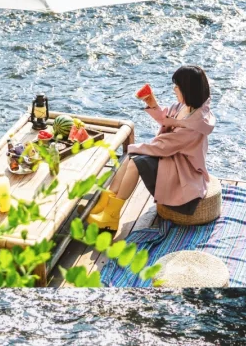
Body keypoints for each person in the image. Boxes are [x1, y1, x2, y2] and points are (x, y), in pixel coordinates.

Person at [87, 65, 215, 233]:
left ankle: (112, 215)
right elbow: (168, 121)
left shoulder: (196, 123)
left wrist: (137, 148)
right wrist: (153, 104)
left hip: (183, 169)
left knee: (135, 162)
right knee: (129, 157)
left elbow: (165, 145)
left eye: (178, 86)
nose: (174, 89)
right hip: (170, 154)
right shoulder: (184, 106)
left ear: (188, 89)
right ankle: (106, 203)